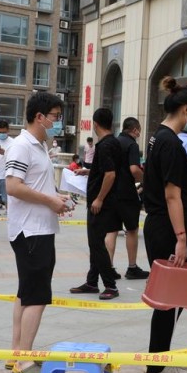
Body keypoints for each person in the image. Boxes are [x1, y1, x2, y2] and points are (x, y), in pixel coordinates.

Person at [142, 76, 187, 373]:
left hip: (163, 225)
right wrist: (182, 238)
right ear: (185, 110)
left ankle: (159, 359)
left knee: (171, 298)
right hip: (168, 229)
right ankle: (156, 366)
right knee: (168, 299)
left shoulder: (160, 138)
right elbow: (172, 194)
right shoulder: (169, 142)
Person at [6, 92, 72, 373]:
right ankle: (24, 360)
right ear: (39, 117)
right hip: (31, 230)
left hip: (38, 228)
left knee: (26, 293)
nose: (57, 122)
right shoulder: (23, 146)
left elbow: (33, 184)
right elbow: (13, 186)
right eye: (55, 116)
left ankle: (16, 354)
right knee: (37, 297)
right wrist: (49, 201)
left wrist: (57, 197)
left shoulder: (38, 145)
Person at [70, 108, 123, 299]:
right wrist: (88, 172)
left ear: (96, 124)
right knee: (96, 243)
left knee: (96, 243)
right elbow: (105, 170)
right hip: (109, 202)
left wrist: (99, 198)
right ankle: (92, 282)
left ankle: (110, 285)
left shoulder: (105, 145)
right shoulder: (113, 143)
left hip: (102, 204)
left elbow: (110, 174)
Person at [104, 116, 149, 280]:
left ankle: (108, 267)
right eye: (139, 131)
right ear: (135, 130)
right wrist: (145, 179)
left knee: (112, 230)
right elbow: (134, 170)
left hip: (111, 192)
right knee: (131, 230)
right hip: (127, 193)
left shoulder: (113, 142)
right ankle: (132, 267)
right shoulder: (132, 145)